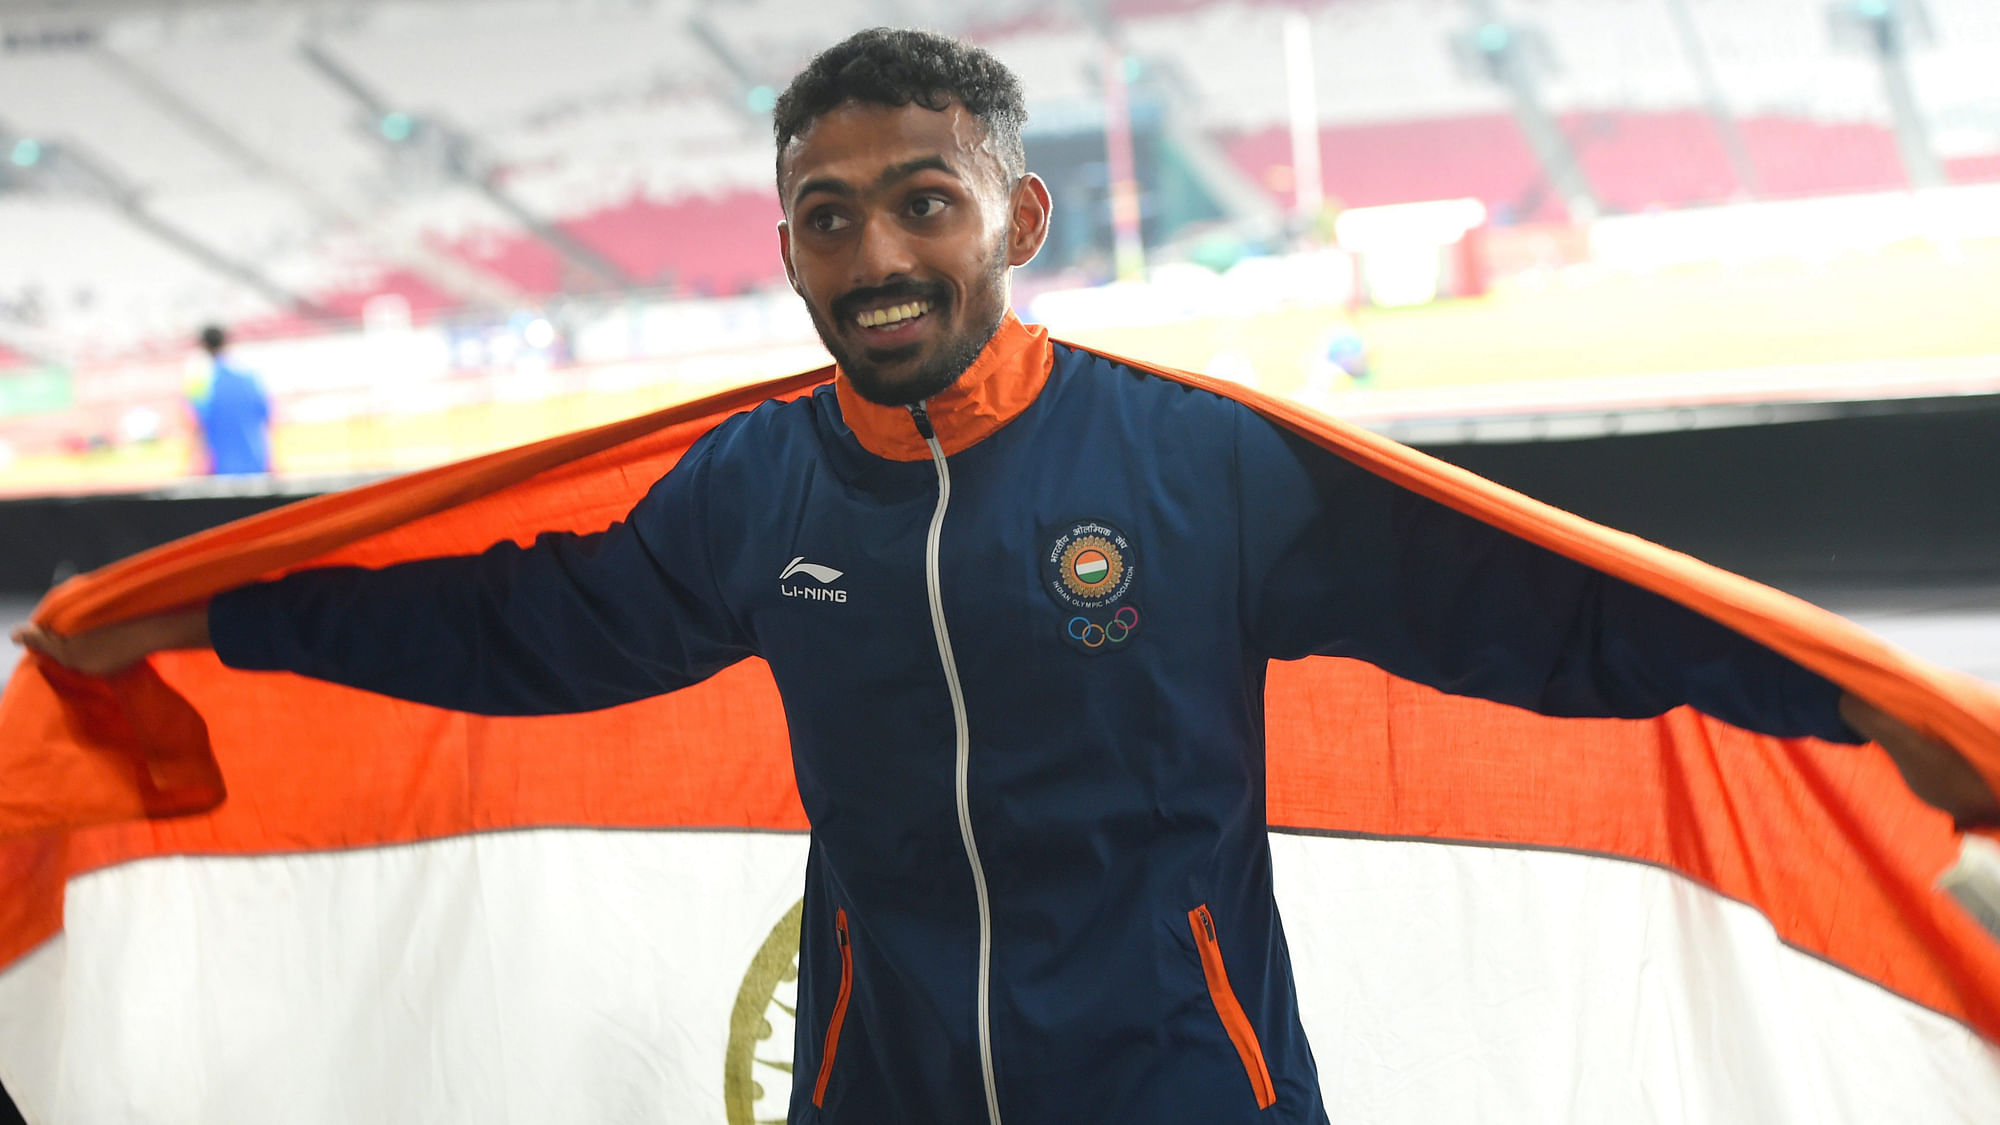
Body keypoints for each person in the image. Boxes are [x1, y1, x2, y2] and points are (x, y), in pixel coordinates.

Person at [13, 28, 1998, 1125]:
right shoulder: (743, 492)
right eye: (824, 215)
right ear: (782, 251)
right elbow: (529, 628)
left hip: (1181, 1082)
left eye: (918, 201)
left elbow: (1545, 616)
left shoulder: (1198, 469)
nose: (873, 252)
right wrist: (212, 615)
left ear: (1013, 215)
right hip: (876, 1080)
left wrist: (1857, 711)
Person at [186, 324, 271, 476]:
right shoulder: (249, 377)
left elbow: (196, 427)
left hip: (220, 471)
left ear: (203, 346)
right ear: (226, 341)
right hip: (256, 465)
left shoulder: (200, 382)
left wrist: (193, 468)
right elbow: (267, 419)